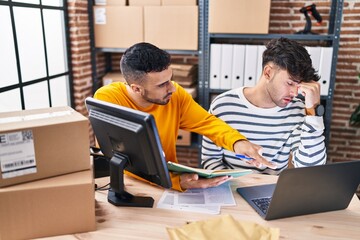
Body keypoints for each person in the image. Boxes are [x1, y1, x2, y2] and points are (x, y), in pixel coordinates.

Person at [94, 42, 275, 192]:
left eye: (170, 79)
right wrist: (175, 182)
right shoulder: (108, 99)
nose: (172, 88)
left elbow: (207, 122)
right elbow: (117, 156)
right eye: (162, 84)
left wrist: (238, 143)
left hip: (167, 185)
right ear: (136, 89)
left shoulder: (176, 95)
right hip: (126, 185)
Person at [201, 37, 326, 174]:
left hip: (273, 192)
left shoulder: (298, 110)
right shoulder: (223, 105)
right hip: (228, 188)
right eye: (290, 83)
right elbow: (210, 160)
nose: (295, 93)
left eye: (299, 85)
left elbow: (310, 169)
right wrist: (231, 187)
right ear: (268, 72)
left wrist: (313, 113)